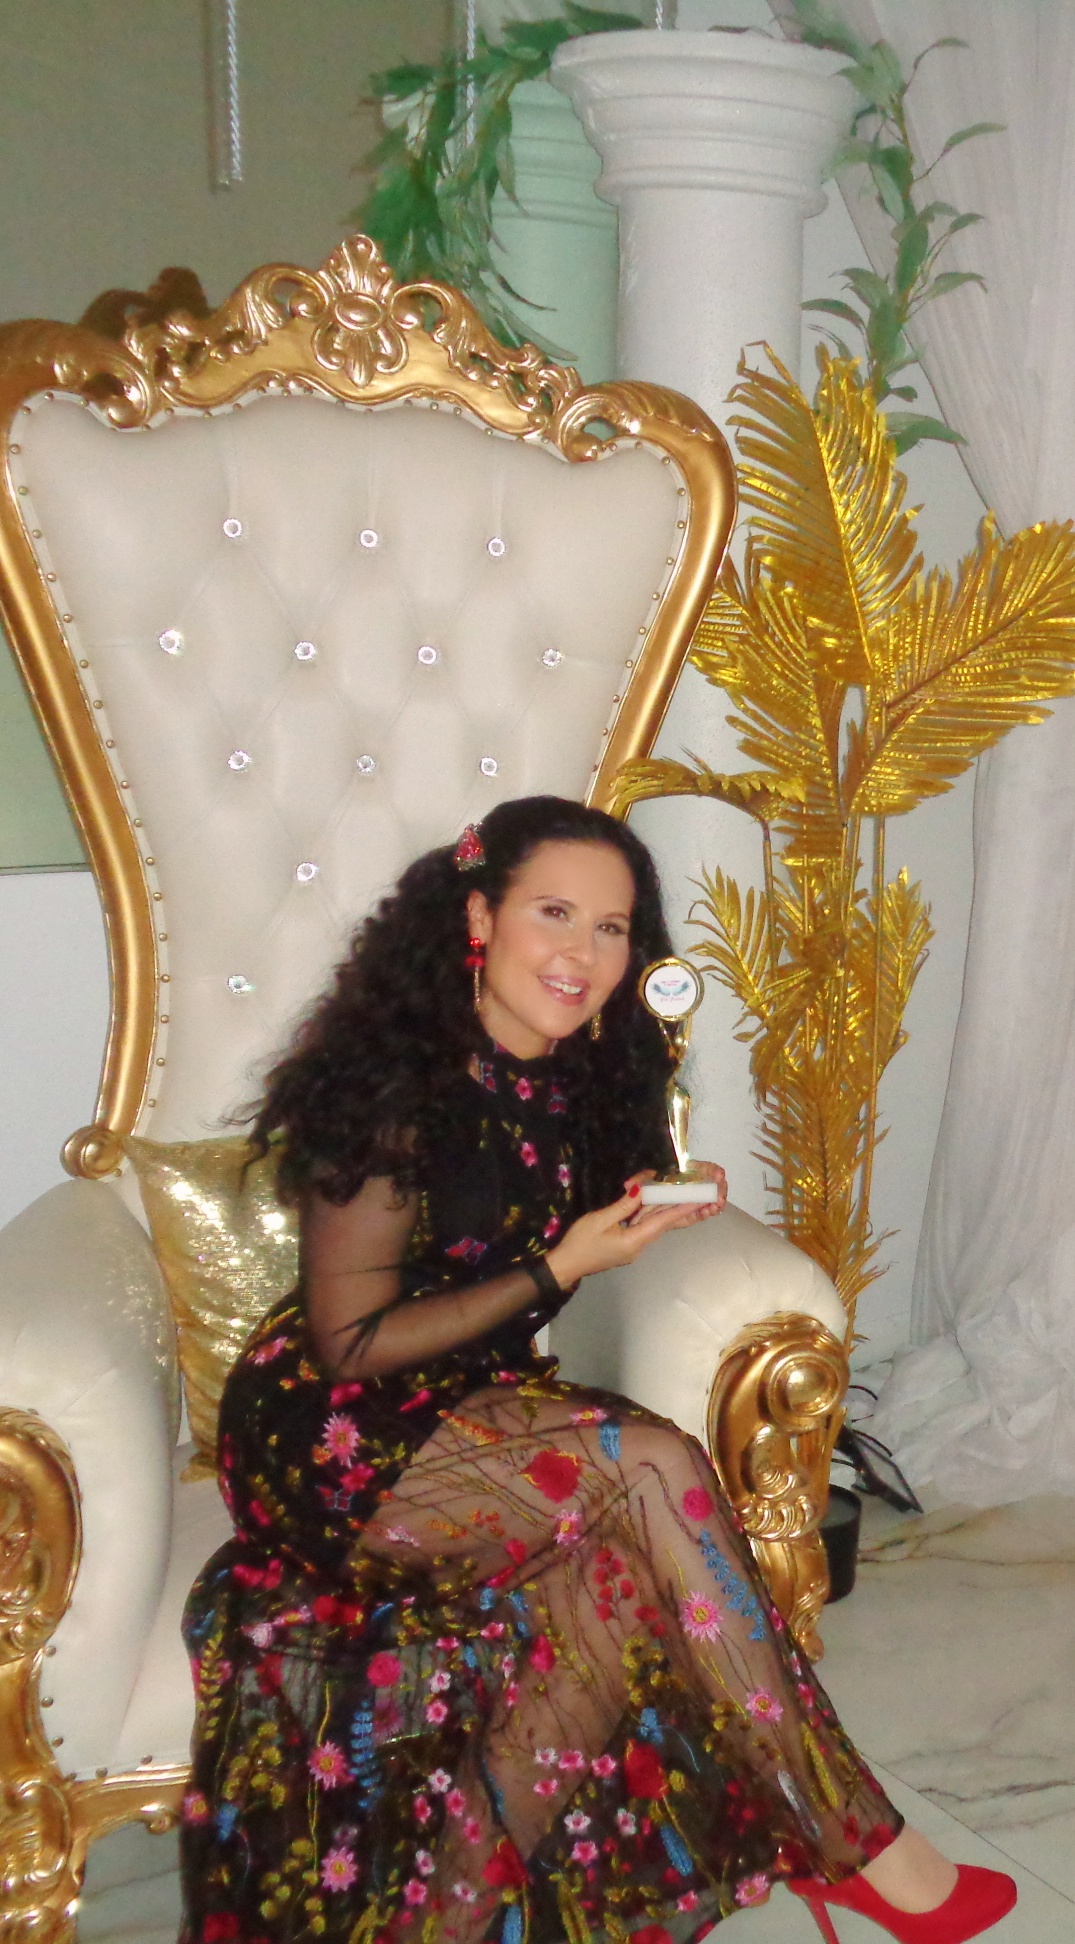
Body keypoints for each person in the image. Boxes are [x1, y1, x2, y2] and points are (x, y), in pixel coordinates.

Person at [180, 796, 1015, 1944]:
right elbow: (349, 1343)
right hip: (331, 1433)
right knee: (649, 1464)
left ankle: (444, 1915)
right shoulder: (390, 1087)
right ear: (478, 917)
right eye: (554, 913)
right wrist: (558, 1264)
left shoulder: (583, 1073)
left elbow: (581, 1212)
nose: (581, 953)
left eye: (612, 928)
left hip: (467, 1404)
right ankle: (849, 1839)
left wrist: (659, 1199)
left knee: (612, 1591)